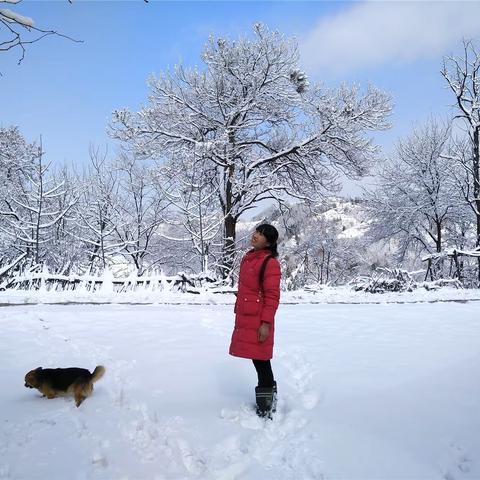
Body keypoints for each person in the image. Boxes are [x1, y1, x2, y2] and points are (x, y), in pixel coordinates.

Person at [229, 223, 281, 418]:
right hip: (247, 316)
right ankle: (268, 398)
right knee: (258, 359)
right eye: (256, 232)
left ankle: (266, 404)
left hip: (259, 319)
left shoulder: (270, 262)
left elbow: (272, 295)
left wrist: (266, 323)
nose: (255, 236)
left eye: (261, 234)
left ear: (269, 241)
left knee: (261, 359)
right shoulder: (250, 258)